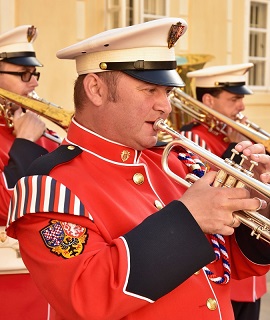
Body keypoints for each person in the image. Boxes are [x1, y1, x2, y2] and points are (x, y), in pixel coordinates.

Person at [6, 18, 270, 320]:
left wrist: (259, 206)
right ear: (96, 89)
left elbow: (228, 264)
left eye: (167, 93)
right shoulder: (49, 187)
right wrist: (188, 219)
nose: (166, 107)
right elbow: (85, 296)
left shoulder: (172, 162)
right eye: (150, 90)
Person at [180, 63, 269, 320]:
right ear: (209, 100)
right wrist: (234, 148)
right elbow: (213, 192)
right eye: (234, 99)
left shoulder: (236, 135)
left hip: (251, 274)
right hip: (224, 271)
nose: (241, 106)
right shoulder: (193, 139)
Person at [0, 25, 59, 319]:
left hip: (53, 273)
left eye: (35, 74)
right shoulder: (28, 133)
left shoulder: (37, 126)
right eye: (23, 74)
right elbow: (5, 206)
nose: (33, 82)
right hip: (10, 279)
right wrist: (23, 144)